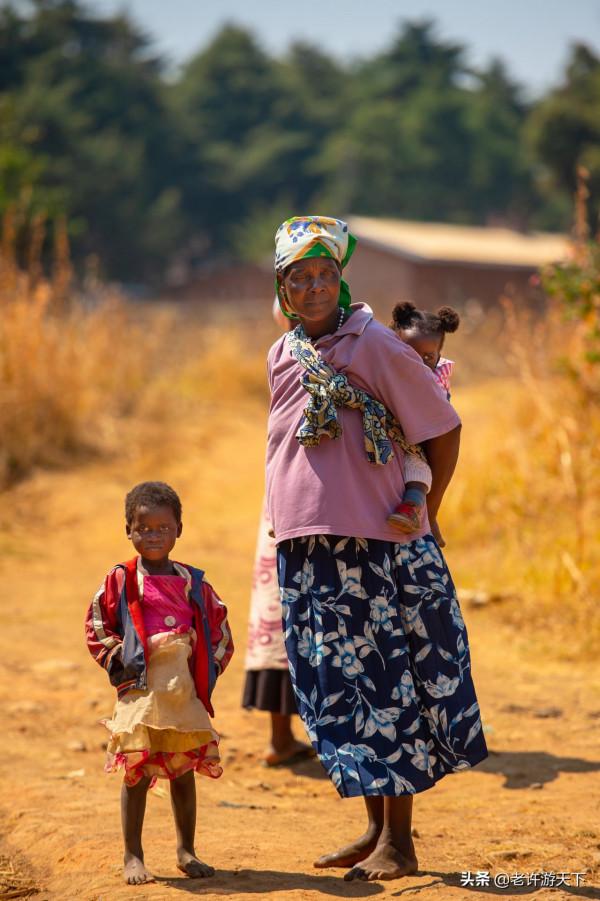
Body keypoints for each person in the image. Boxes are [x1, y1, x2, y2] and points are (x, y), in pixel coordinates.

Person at [267, 215, 488, 882]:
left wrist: (428, 506)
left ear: (342, 279)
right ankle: (371, 827)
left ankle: (401, 841)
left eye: (324, 275)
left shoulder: (377, 345)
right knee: (340, 691)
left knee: (390, 689)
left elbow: (442, 427)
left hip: (377, 547)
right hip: (309, 547)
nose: (313, 288)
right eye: (298, 278)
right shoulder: (282, 352)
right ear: (281, 287)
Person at [85, 481, 233, 885]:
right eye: (143, 528)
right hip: (140, 690)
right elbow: (97, 624)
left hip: (180, 689)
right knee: (138, 772)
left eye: (162, 528)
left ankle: (187, 850)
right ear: (128, 530)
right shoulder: (121, 581)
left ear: (179, 530)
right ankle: (133, 855)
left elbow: (219, 626)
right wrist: (121, 658)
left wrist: (209, 667)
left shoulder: (193, 583)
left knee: (183, 771)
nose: (153, 535)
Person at [387, 301, 460, 541]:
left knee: (417, 469)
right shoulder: (383, 369)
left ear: (439, 357)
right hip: (380, 435)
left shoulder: (436, 382)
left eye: (428, 356)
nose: (418, 363)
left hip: (413, 445)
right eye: (409, 353)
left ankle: (416, 510)